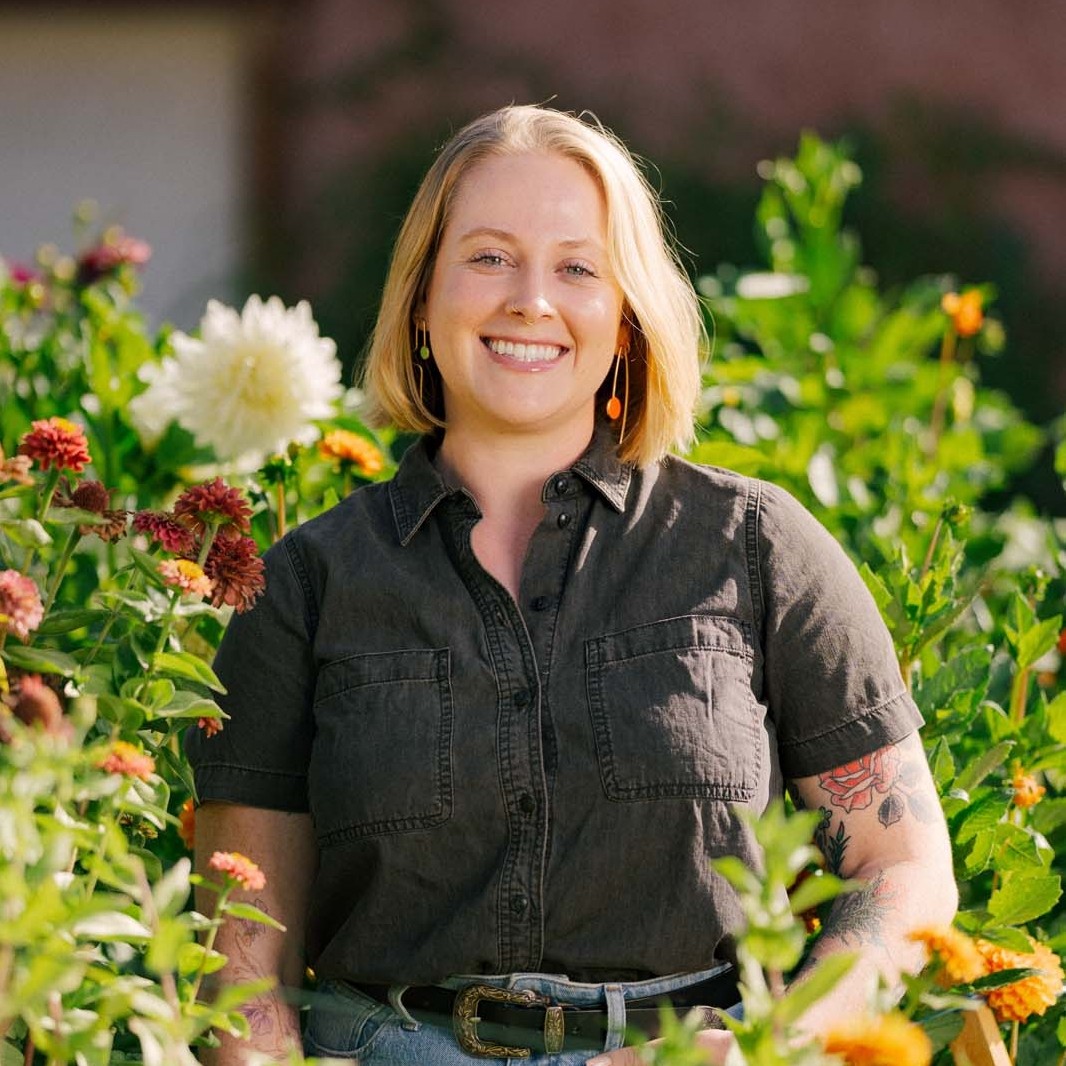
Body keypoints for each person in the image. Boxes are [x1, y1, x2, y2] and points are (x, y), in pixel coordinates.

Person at [186, 104, 956, 1066]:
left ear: (627, 315)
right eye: (488, 257)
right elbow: (241, 936)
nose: (531, 301)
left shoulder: (756, 546)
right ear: (423, 298)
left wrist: (774, 1046)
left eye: (578, 268)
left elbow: (904, 863)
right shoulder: (306, 581)